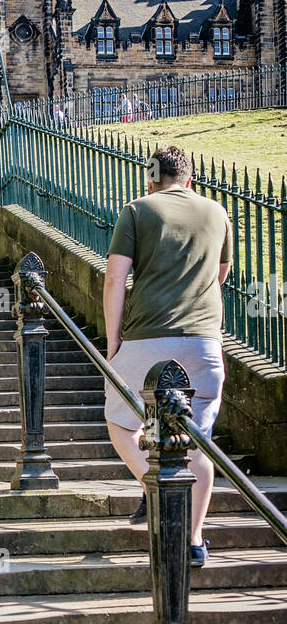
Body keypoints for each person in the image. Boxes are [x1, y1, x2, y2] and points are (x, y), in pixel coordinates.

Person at [102, 144, 232, 567]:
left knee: (122, 423)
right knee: (198, 445)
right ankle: (194, 540)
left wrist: (113, 342)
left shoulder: (136, 211)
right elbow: (219, 275)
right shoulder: (217, 213)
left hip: (147, 341)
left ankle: (154, 485)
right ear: (190, 178)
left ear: (151, 178)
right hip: (204, 344)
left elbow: (115, 281)